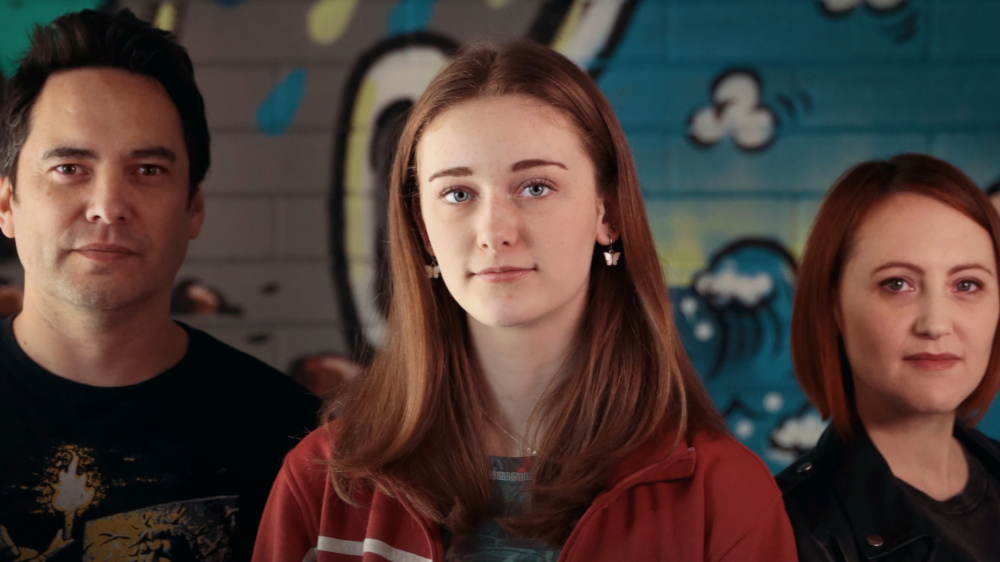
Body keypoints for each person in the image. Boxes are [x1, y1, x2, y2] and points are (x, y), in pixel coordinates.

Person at [254, 41, 797, 562]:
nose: (494, 232)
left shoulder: (722, 493)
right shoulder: (322, 484)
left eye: (535, 187)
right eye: (458, 194)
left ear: (607, 212)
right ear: (422, 230)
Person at [0, 10, 321, 561]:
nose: (108, 206)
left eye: (148, 169)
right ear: (7, 204)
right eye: (69, 168)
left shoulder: (291, 439)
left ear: (194, 208)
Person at [778, 153, 1000, 562]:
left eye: (967, 284)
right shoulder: (791, 531)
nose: (936, 324)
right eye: (897, 284)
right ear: (833, 306)